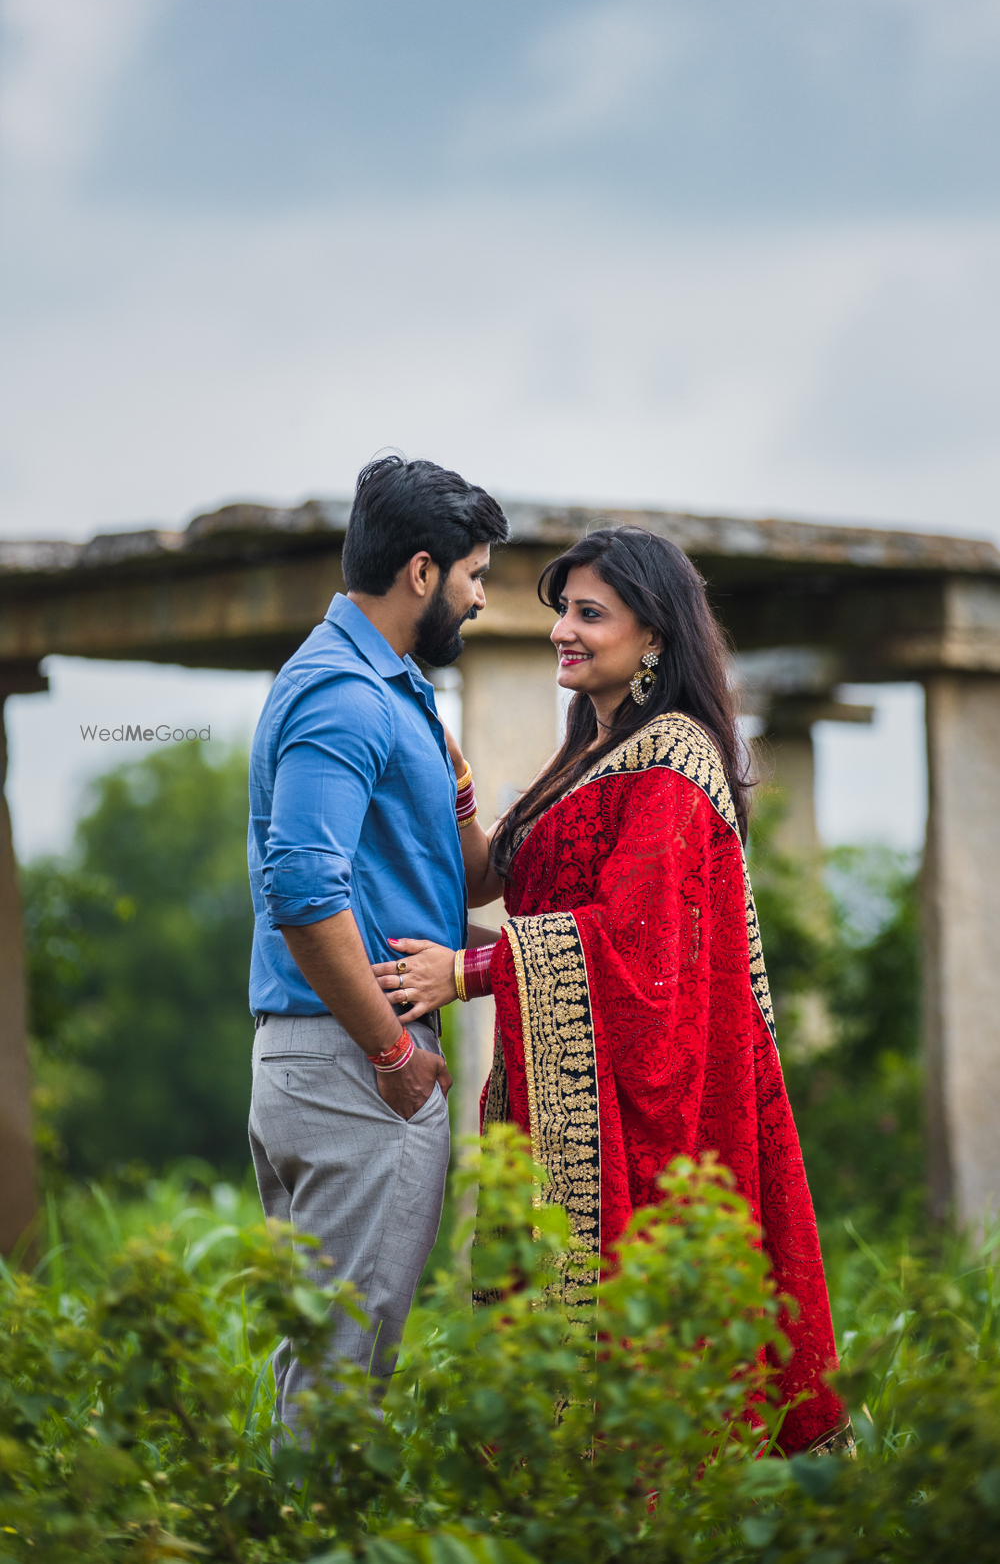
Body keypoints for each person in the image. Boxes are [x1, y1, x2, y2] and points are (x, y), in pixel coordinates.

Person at [375, 525, 848, 1456]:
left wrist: (466, 972)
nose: (564, 630)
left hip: (645, 1109)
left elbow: (641, 946)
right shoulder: (589, 754)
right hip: (561, 1095)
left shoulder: (674, 758)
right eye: (562, 611)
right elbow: (518, 892)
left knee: (638, 1391)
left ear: (656, 636)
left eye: (590, 613)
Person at [247, 455, 509, 1424]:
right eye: (476, 574)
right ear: (421, 571)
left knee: (326, 1364)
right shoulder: (342, 695)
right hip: (353, 1063)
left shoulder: (391, 688)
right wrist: (394, 1051)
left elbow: (458, 882)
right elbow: (305, 893)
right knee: (341, 1383)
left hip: (331, 1059)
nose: (480, 599)